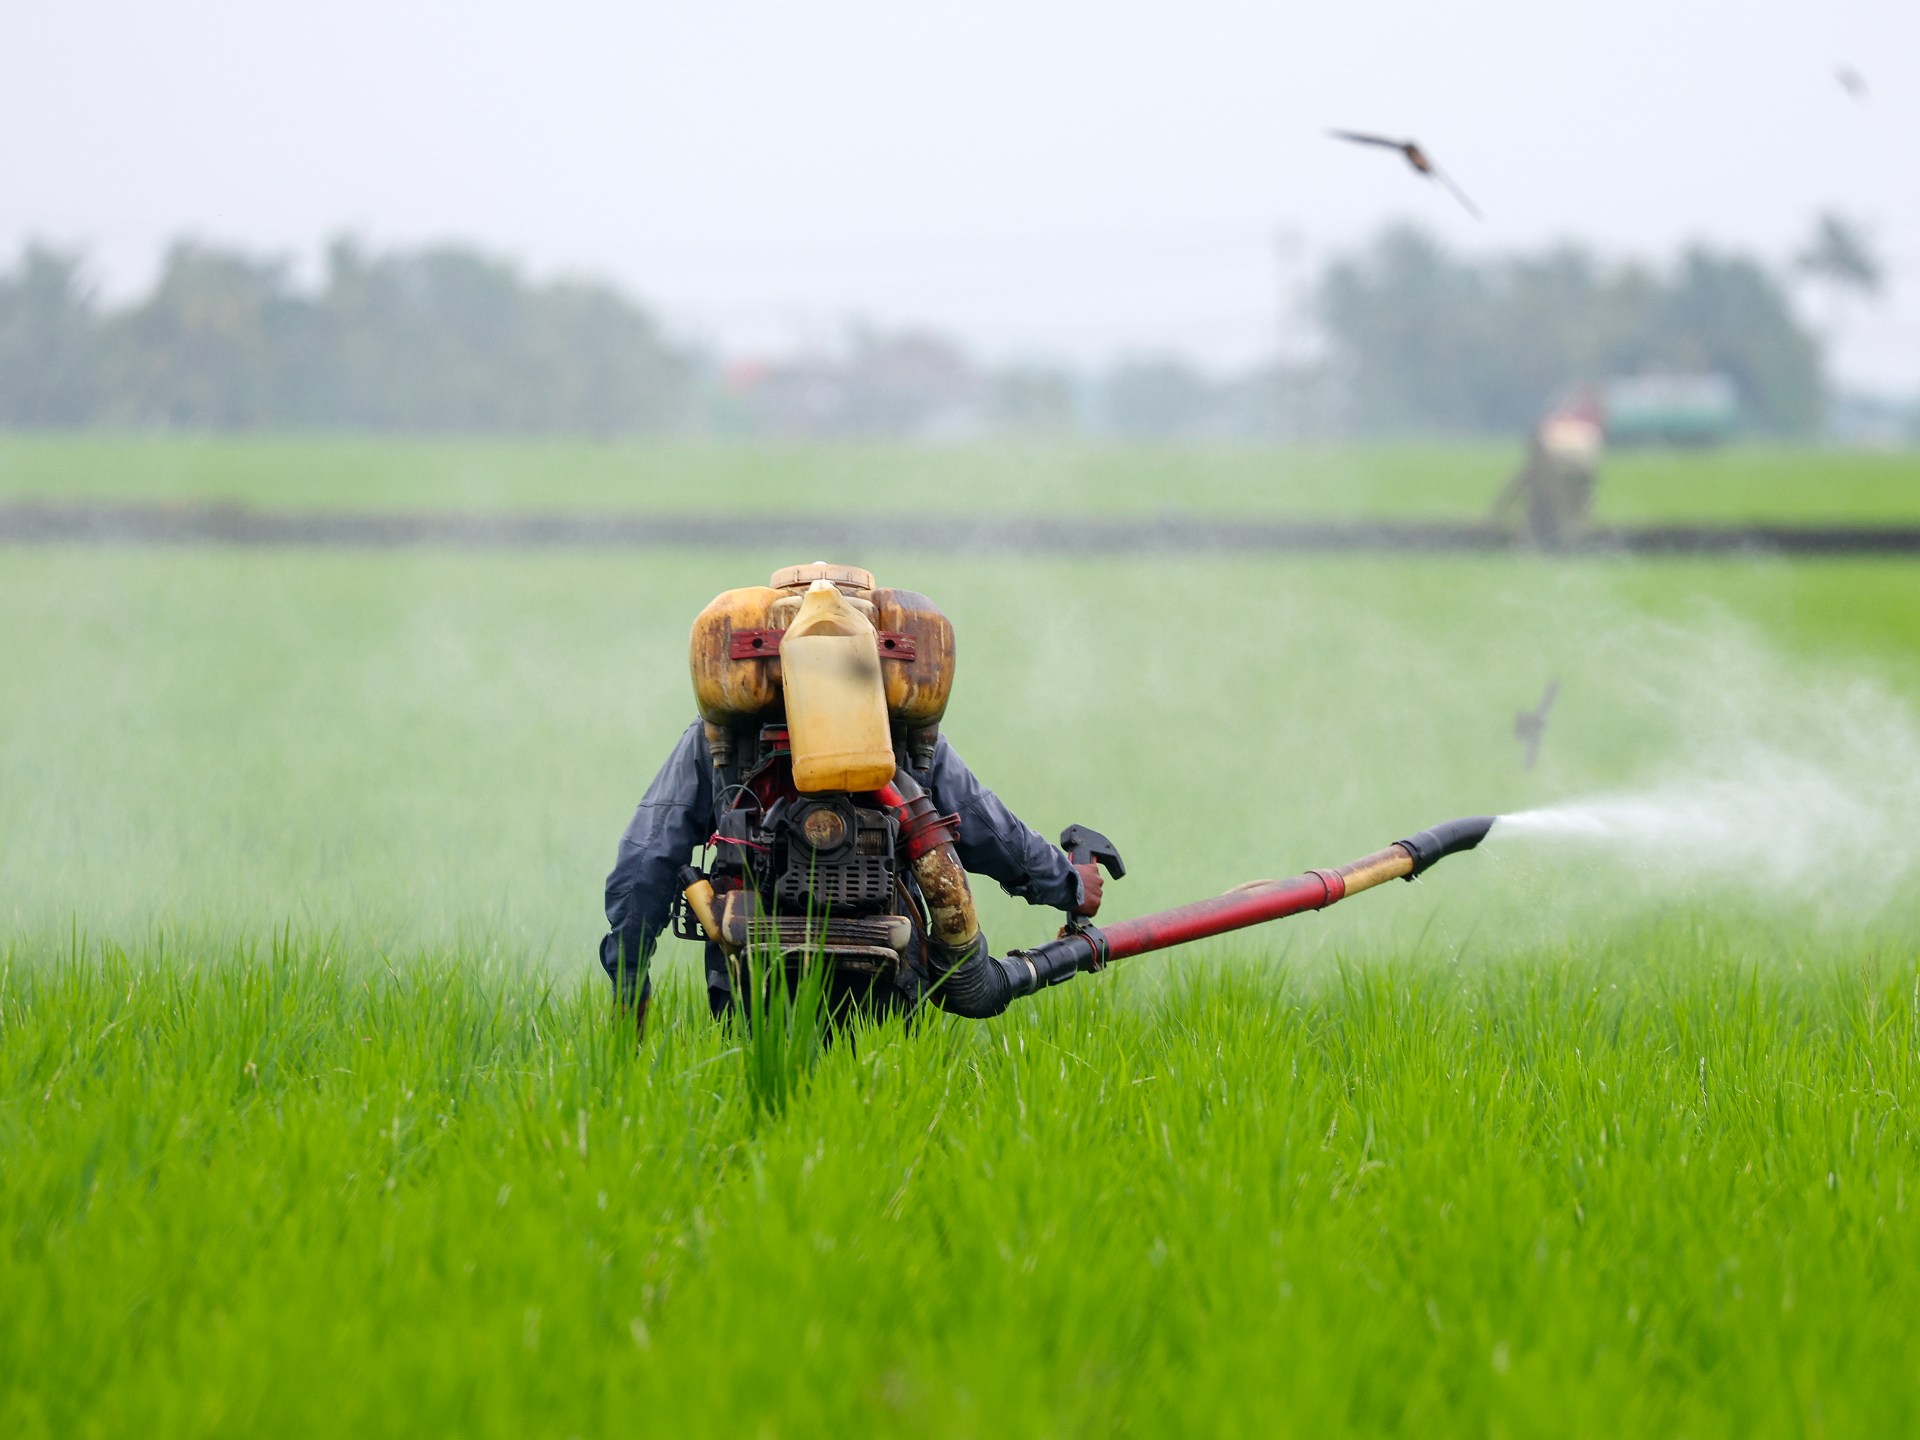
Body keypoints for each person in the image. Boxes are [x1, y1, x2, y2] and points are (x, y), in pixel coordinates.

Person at [601, 562, 1102, 1036]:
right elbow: (988, 829)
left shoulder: (719, 738)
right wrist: (1071, 885)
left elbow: (645, 858)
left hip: (751, 978)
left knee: (760, 1103)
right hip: (887, 971)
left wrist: (629, 979)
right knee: (879, 1098)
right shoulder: (905, 738)